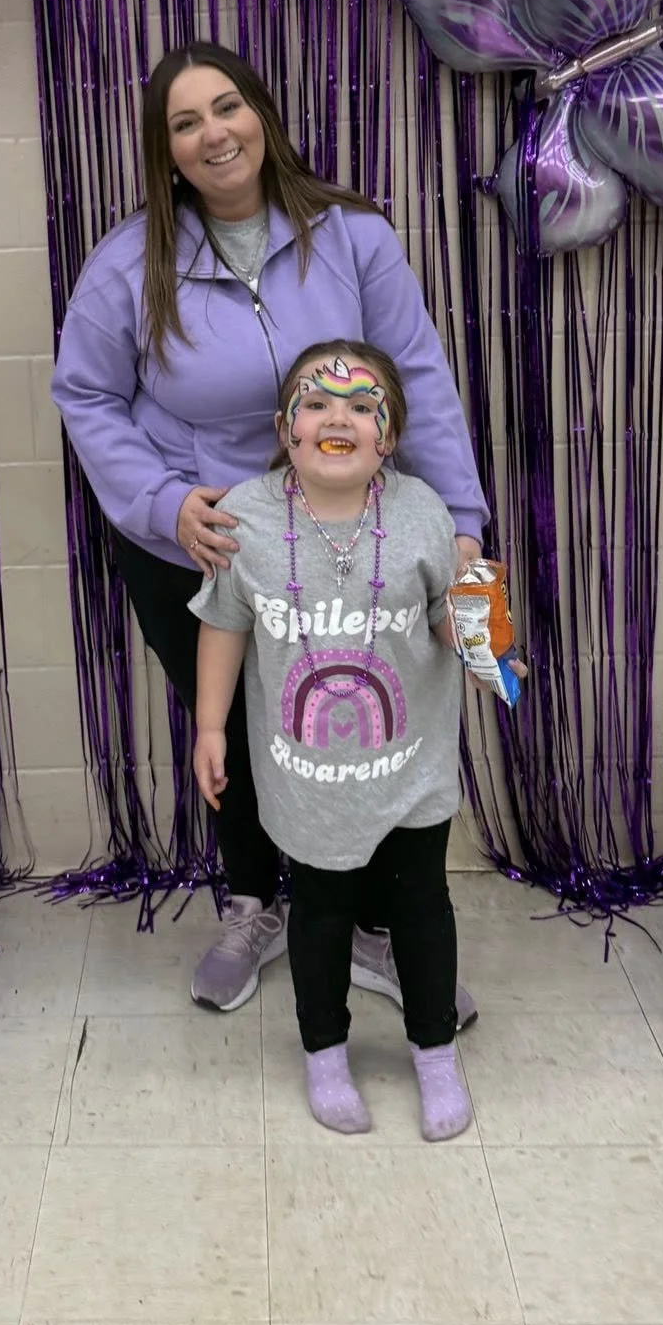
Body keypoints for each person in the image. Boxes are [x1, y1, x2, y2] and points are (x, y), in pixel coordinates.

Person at [51, 41, 492, 1014]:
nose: (214, 132)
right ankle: (253, 904)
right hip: (201, 548)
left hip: (346, 540)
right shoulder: (129, 263)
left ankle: (375, 926)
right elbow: (85, 395)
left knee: (355, 721)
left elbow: (414, 373)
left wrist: (458, 521)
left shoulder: (355, 238)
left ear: (262, 113)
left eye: (228, 106)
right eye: (185, 121)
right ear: (166, 151)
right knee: (239, 736)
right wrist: (163, 501)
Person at [191, 341, 473, 1139]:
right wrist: (211, 727)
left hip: (411, 765)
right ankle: (324, 1054)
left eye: (361, 404)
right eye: (317, 403)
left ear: (388, 437)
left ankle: (435, 1054)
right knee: (318, 914)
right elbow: (223, 625)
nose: (338, 416)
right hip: (304, 776)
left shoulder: (422, 512)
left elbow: (451, 626)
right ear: (286, 429)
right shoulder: (245, 516)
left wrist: (481, 628)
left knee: (421, 909)